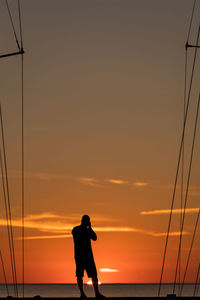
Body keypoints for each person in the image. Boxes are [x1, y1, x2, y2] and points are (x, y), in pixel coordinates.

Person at [72, 215, 105, 298]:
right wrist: (88, 229)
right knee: (80, 275)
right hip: (81, 256)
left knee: (93, 275)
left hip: (88, 257)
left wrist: (90, 228)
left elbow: (95, 238)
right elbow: (93, 237)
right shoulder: (76, 229)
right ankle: (82, 293)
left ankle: (96, 293)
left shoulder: (87, 230)